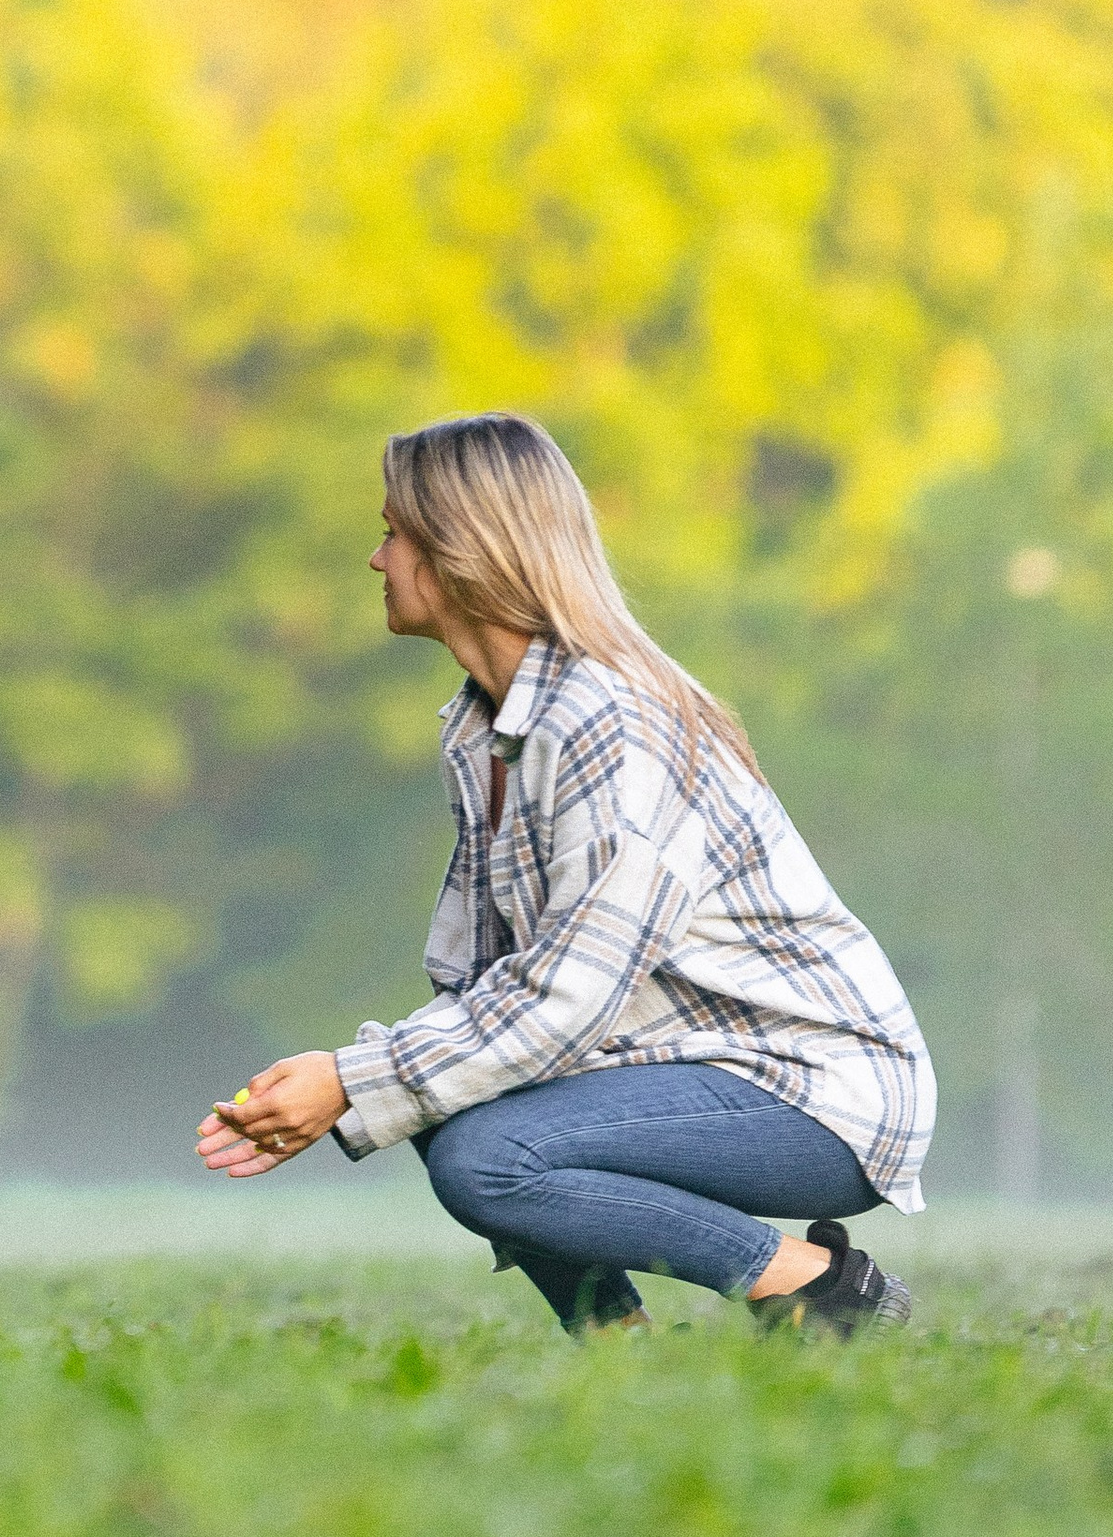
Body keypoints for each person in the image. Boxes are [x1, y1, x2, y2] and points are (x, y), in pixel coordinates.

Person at [195, 411, 931, 1334]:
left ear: (461, 550)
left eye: (392, 533)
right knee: (447, 1089)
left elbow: (562, 1002)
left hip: (811, 1090)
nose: (376, 560)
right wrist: (360, 1076)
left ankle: (814, 1287)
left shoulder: (608, 725)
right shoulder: (489, 730)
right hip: (698, 1070)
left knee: (484, 1154)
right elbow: (483, 995)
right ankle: (620, 1357)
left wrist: (353, 1079)